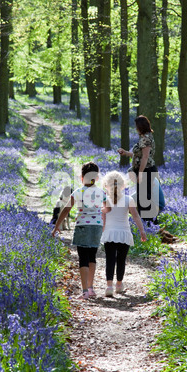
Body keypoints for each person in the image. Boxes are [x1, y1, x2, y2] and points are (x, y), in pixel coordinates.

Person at [52, 161, 106, 300]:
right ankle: (91, 288)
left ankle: (84, 291)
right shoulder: (101, 193)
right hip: (97, 226)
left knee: (83, 258)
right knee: (92, 257)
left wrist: (56, 226)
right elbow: (108, 208)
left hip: (82, 226)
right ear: (97, 178)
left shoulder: (78, 192)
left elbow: (66, 210)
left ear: (82, 178)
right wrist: (101, 217)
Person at [101, 170, 147, 297]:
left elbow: (103, 218)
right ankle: (119, 285)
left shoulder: (105, 200)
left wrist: (103, 232)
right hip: (124, 233)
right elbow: (136, 216)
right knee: (121, 260)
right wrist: (142, 231)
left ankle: (109, 286)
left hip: (110, 233)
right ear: (123, 185)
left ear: (106, 185)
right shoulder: (129, 199)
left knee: (109, 260)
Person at [118, 115, 159, 222]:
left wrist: (140, 174)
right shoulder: (146, 137)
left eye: (137, 126)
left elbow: (145, 157)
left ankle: (149, 223)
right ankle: (148, 223)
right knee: (143, 197)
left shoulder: (146, 139)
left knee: (144, 198)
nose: (136, 128)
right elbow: (140, 156)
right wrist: (126, 153)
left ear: (141, 127)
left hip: (146, 170)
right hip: (146, 170)